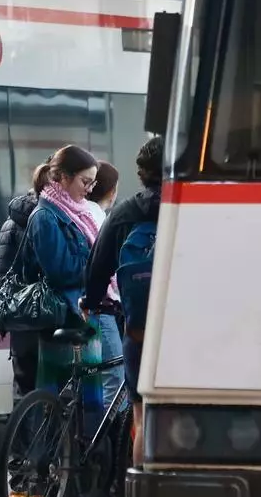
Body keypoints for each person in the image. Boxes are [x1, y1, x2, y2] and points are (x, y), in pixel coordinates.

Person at [83, 136, 163, 468]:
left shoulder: (124, 212)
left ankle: (143, 489)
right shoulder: (194, 207)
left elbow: (98, 265)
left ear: (141, 173)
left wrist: (91, 300)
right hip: (190, 335)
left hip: (140, 331)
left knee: (143, 418)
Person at [27, 146, 102, 414]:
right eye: (85, 181)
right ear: (64, 177)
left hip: (80, 309)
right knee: (59, 401)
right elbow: (61, 270)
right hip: (64, 314)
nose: (89, 190)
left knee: (87, 398)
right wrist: (98, 263)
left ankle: (79, 439)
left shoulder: (75, 212)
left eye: (93, 183)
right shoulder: (46, 216)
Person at [0, 184, 40, 408]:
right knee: (49, 387)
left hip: (16, 316)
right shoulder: (46, 220)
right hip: (44, 315)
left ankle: (22, 430)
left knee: (23, 387)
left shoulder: (9, 222)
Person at [83, 161, 124, 411]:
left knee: (95, 380)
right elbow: (105, 265)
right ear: (112, 190)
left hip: (89, 306)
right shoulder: (98, 217)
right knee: (115, 379)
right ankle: (108, 434)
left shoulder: (85, 212)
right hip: (101, 307)